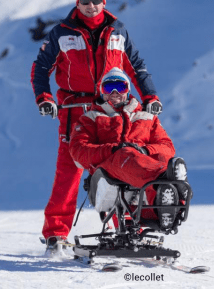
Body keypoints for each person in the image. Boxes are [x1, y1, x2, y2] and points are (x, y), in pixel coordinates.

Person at [30, 0, 163, 252]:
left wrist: (150, 95)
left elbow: (136, 66)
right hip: (74, 109)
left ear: (104, 2)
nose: (91, 6)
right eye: (85, 1)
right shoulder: (62, 33)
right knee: (69, 171)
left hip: (110, 108)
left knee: (118, 164)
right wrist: (44, 98)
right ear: (77, 3)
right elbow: (41, 67)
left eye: (96, 1)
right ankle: (56, 234)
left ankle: (128, 226)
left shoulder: (117, 31)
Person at [69, 68, 192, 230]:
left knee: (163, 158)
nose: (114, 92)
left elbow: (167, 147)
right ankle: (169, 180)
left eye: (120, 87)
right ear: (101, 92)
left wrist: (145, 151)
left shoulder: (146, 117)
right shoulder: (91, 118)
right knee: (125, 154)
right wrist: (112, 150)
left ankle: (166, 212)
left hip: (141, 171)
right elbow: (79, 151)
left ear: (127, 90)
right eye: (108, 88)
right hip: (106, 173)